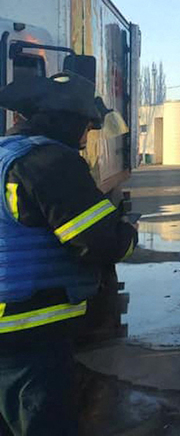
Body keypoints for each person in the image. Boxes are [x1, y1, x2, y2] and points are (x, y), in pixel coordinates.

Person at [0, 71, 137, 436]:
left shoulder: (6, 157)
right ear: (67, 123)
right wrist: (129, 234)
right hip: (26, 332)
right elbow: (97, 241)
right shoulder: (50, 162)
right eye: (86, 128)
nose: (86, 137)